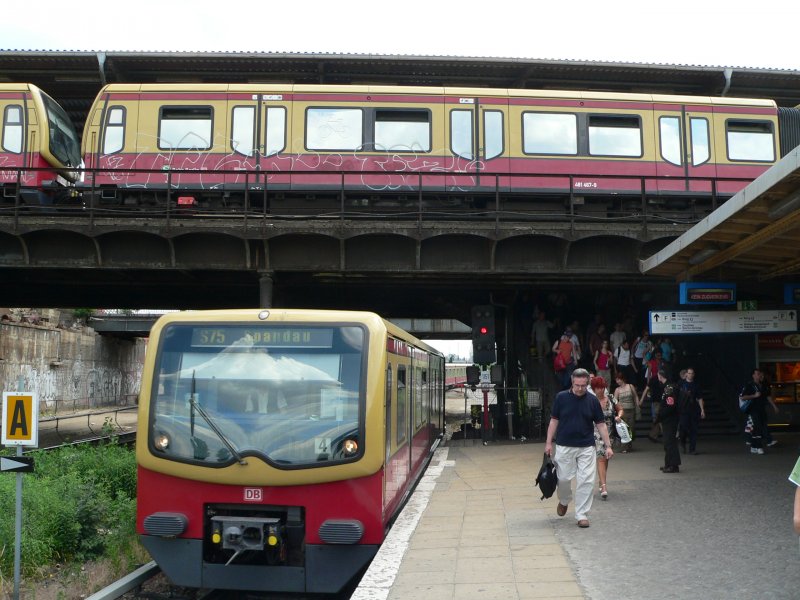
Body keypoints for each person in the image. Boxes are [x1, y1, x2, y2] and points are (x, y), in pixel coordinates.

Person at [545, 368, 614, 528]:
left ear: (587, 383)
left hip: (586, 447)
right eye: (577, 385)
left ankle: (582, 514)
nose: (580, 388)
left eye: (583, 385)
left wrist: (608, 445)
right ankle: (564, 500)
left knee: (587, 481)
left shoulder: (592, 401)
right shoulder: (561, 398)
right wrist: (548, 443)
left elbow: (601, 425)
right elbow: (554, 421)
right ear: (572, 381)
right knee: (563, 479)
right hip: (564, 446)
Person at [591, 375, 621, 501]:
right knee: (601, 457)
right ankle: (603, 486)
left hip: (609, 433)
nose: (601, 390)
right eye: (598, 388)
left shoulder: (610, 398)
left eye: (602, 387)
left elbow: (620, 408)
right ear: (593, 388)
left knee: (606, 458)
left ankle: (601, 481)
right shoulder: (590, 400)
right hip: (595, 432)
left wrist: (619, 416)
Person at [655, 369, 681, 473]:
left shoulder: (670, 388)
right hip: (668, 418)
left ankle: (673, 465)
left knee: (670, 442)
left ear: (661, 376)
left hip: (670, 419)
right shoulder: (667, 387)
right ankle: (668, 463)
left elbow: (670, 405)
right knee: (667, 442)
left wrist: (661, 415)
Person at [740, 368, 771, 455]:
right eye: (757, 374)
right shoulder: (749, 385)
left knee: (760, 427)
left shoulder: (763, 385)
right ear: (753, 375)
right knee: (757, 427)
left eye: (760, 374)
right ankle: (759, 447)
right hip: (754, 410)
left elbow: (767, 396)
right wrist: (754, 395)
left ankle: (753, 446)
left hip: (762, 409)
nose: (759, 375)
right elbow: (742, 397)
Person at [678, 367, 705, 455]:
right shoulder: (681, 384)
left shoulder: (696, 385)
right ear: (686, 374)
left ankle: (692, 449)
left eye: (692, 373)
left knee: (694, 430)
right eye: (689, 373)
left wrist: (702, 410)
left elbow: (700, 398)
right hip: (683, 410)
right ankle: (682, 442)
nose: (690, 375)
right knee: (683, 428)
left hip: (694, 410)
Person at [613, 371, 638, 452]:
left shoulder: (630, 386)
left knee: (631, 428)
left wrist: (638, 405)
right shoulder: (617, 390)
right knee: (624, 429)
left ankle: (629, 445)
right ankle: (624, 448)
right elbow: (615, 401)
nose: (617, 381)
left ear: (622, 379)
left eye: (618, 379)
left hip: (631, 410)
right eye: (616, 380)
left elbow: (635, 396)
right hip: (622, 411)